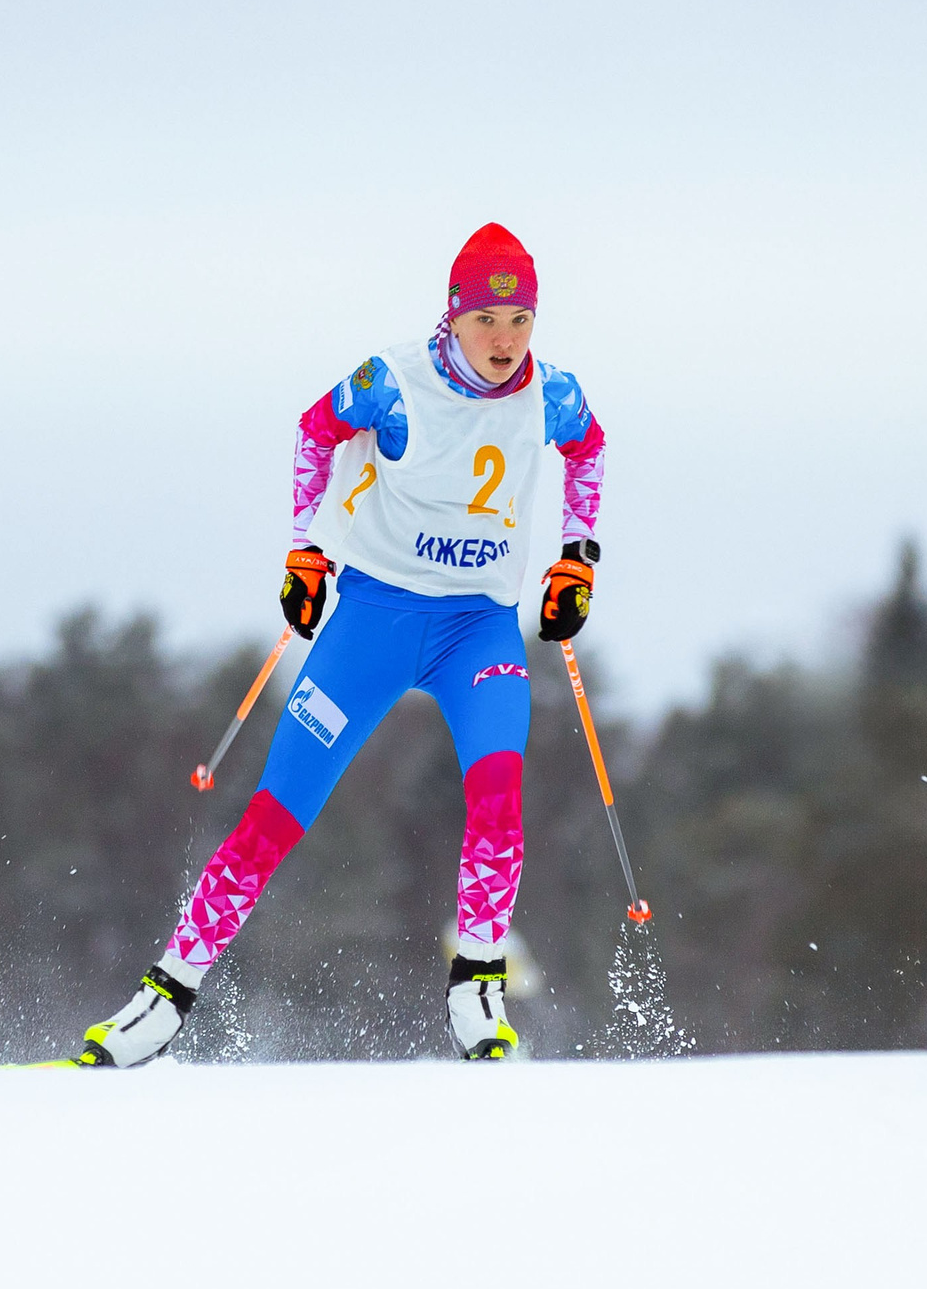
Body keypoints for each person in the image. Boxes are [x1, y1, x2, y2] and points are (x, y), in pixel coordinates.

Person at [68, 222, 608, 1065]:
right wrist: (305, 549)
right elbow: (316, 430)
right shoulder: (392, 381)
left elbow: (589, 448)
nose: (505, 340)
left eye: (521, 320)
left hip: (479, 628)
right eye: (486, 320)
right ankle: (165, 995)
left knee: (499, 792)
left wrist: (577, 559)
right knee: (277, 811)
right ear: (454, 315)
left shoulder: (553, 394)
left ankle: (478, 987)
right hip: (374, 622)